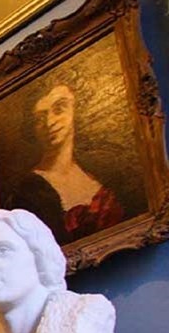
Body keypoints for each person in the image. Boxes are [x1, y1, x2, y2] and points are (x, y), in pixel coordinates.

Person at [9, 82, 124, 244]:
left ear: (76, 111)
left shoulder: (102, 168)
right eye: (40, 119)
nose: (50, 123)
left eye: (59, 109)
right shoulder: (28, 191)